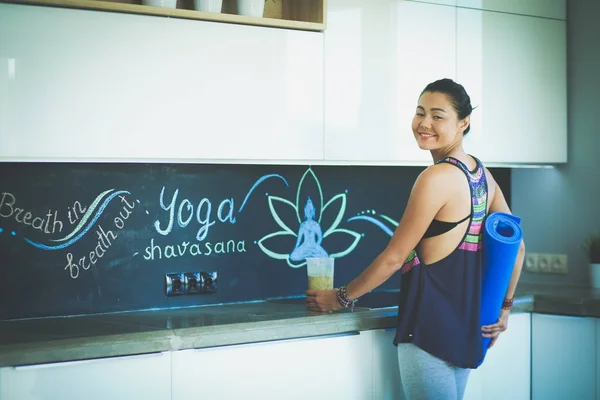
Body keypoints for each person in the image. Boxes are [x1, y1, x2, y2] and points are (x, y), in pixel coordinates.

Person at [305, 78, 526, 400]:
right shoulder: (481, 175)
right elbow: (517, 247)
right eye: (420, 112)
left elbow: (394, 258)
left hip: (428, 329)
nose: (424, 123)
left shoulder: (435, 177)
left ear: (463, 123)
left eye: (438, 116)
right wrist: (504, 308)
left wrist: (339, 297)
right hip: (466, 330)